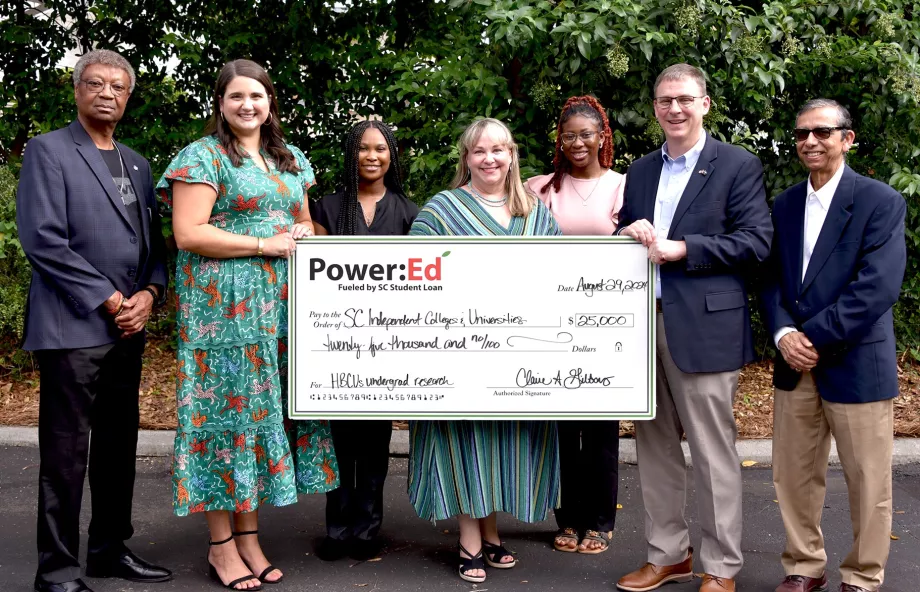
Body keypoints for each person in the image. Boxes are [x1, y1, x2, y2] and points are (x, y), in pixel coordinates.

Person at [156, 59, 338, 591]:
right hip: (223, 311)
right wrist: (265, 243)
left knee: (261, 415)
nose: (247, 105)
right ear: (221, 103)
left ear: (270, 103)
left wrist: (303, 232)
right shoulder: (203, 156)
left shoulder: (289, 157)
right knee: (226, 416)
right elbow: (189, 233)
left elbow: (302, 218)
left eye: (256, 96)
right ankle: (220, 546)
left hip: (280, 306)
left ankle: (251, 538)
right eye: (236, 97)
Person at [16, 49, 172, 592]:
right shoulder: (49, 151)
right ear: (78, 90)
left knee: (116, 446)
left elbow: (153, 243)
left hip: (129, 326)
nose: (108, 93)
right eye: (97, 84)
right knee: (65, 452)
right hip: (72, 326)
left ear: (128, 97)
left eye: (119, 87)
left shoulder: (137, 163)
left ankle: (108, 549)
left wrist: (150, 293)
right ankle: (56, 570)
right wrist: (108, 298)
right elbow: (42, 239)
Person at [614, 64, 772, 592]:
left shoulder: (736, 164)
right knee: (654, 449)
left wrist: (685, 249)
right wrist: (626, 230)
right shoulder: (638, 171)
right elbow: (629, 242)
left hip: (704, 328)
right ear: (655, 107)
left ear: (705, 103)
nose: (674, 109)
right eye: (664, 100)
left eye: (684, 99)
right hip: (642, 325)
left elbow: (756, 241)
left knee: (712, 452)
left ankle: (722, 566)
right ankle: (668, 555)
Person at [408, 118, 561, 583]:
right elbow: (413, 274)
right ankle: (469, 539)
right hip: (459, 351)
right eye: (479, 151)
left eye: (498, 149)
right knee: (465, 440)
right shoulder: (441, 210)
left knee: (502, 443)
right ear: (466, 159)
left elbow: (560, 275)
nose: (489, 158)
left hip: (518, 355)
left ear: (512, 154)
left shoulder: (535, 212)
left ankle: (492, 534)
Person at [763, 99, 906, 592]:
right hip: (794, 363)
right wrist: (784, 334)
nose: (810, 141)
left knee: (868, 481)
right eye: (802, 133)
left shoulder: (880, 201)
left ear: (847, 138)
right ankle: (804, 565)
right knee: (792, 475)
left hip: (854, 360)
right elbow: (771, 280)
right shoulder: (783, 204)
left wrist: (812, 337)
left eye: (823, 132)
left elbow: (878, 286)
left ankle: (863, 575)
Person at [308, 120, 419, 561]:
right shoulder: (326, 208)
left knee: (374, 442)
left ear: (392, 155)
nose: (372, 156)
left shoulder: (410, 212)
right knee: (339, 441)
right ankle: (337, 532)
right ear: (350, 154)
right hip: (335, 345)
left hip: (388, 346)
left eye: (381, 149)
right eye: (363, 149)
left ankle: (368, 531)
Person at [525, 95, 625, 555]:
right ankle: (568, 518)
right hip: (550, 324)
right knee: (561, 430)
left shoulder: (623, 187)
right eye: (569, 136)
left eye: (587, 134)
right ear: (559, 142)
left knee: (601, 429)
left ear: (602, 136)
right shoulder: (538, 188)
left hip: (604, 329)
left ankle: (601, 520)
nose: (578, 143)